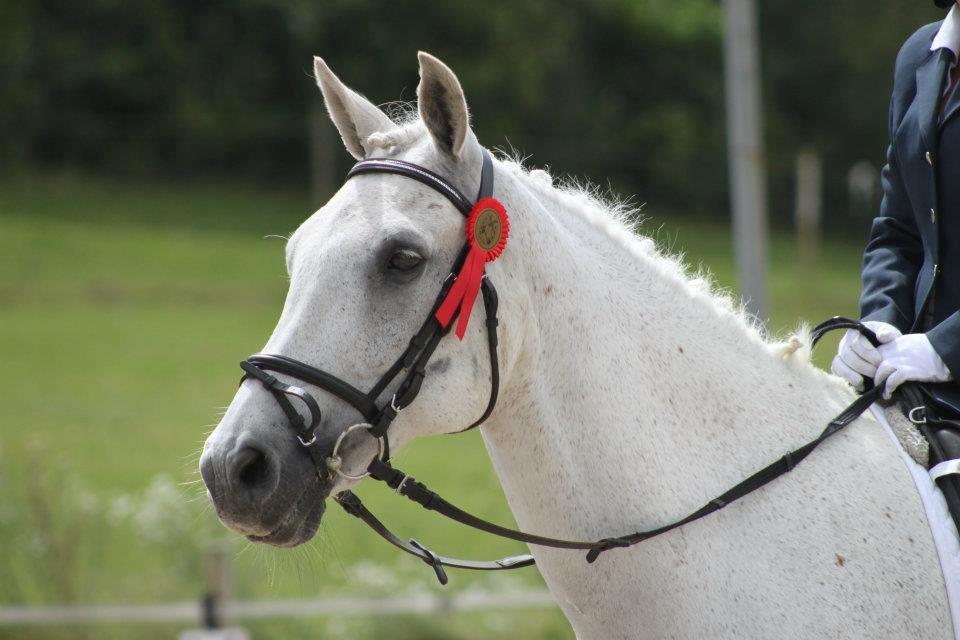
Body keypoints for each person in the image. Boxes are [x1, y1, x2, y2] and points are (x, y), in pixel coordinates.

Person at [833, 0, 960, 421]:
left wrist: (945, 349)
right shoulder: (919, 55)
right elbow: (898, 229)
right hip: (911, 378)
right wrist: (880, 323)